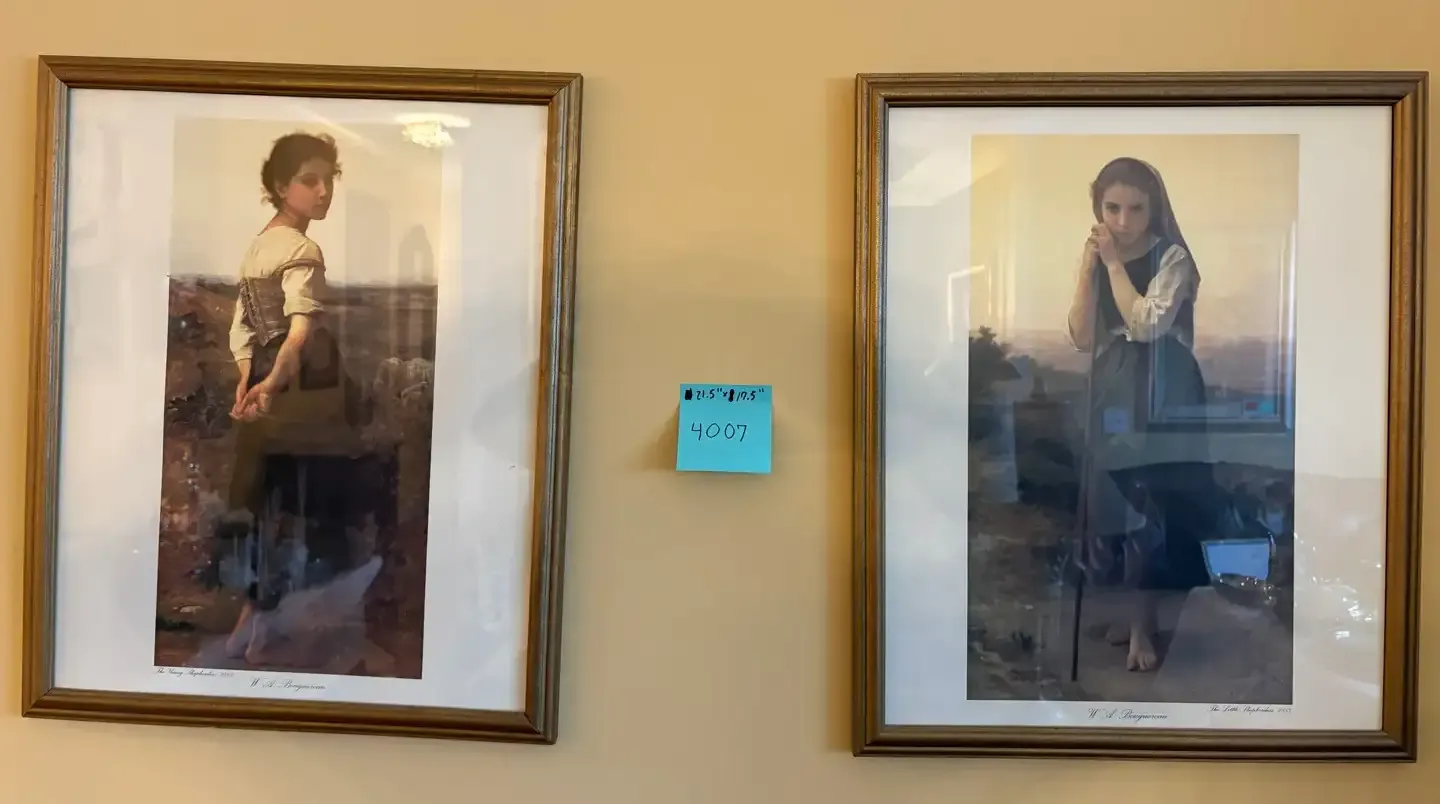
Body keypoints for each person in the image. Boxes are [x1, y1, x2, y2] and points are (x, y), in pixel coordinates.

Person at [217, 131, 367, 665]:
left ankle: (254, 621)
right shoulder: (302, 249)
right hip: (303, 386)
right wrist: (269, 384)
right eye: (310, 180)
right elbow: (298, 334)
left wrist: (248, 376)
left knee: (265, 501)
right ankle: (262, 623)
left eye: (329, 180)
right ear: (281, 187)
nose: (324, 191)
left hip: (272, 373)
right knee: (297, 504)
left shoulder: (258, 245)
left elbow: (244, 329)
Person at [1064, 157, 1214, 673]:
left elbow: (1148, 324)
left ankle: (1143, 624)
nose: (1123, 220)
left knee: (1152, 501)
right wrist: (1088, 269)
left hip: (1162, 384)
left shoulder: (1172, 257)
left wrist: (1111, 266)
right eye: (1112, 208)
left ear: (1154, 210)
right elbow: (1081, 335)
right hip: (1114, 382)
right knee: (1113, 503)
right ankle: (1129, 614)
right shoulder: (1100, 252)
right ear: (1098, 208)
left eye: (1136, 209)